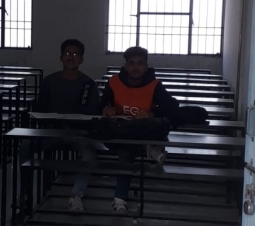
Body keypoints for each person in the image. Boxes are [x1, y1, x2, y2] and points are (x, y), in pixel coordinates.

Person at [100, 46, 179, 213]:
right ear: (125, 65)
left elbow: (172, 106)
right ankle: (150, 148)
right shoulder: (114, 82)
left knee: (129, 147)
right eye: (131, 63)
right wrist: (106, 109)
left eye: (140, 63)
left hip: (139, 132)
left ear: (146, 66)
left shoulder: (154, 85)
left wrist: (152, 113)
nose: (135, 68)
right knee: (127, 146)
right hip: (120, 132)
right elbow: (102, 103)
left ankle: (120, 199)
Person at [27, 39, 100, 212]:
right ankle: (26, 194)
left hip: (78, 133)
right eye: (67, 53)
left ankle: (77, 195)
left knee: (89, 153)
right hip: (51, 131)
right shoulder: (49, 81)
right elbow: (40, 108)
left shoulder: (88, 84)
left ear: (81, 59)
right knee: (25, 147)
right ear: (61, 57)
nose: (70, 57)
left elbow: (92, 113)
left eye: (75, 54)